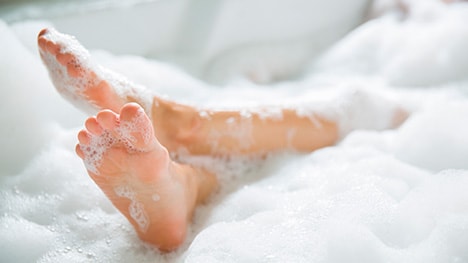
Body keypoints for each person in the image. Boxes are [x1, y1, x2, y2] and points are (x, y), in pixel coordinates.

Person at [37, 28, 407, 251]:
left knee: (368, 108)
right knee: (359, 106)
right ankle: (181, 184)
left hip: (417, 111)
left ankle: (183, 130)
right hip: (411, 100)